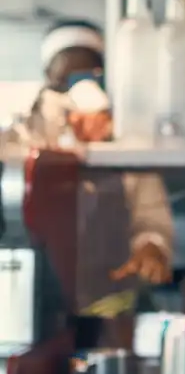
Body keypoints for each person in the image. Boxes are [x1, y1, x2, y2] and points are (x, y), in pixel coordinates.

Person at [27, 19, 174, 289]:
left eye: (85, 79)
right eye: (63, 82)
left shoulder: (129, 146)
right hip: (38, 288)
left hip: (110, 293)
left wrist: (151, 248)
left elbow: (152, 219)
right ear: (48, 81)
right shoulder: (28, 137)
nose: (76, 94)